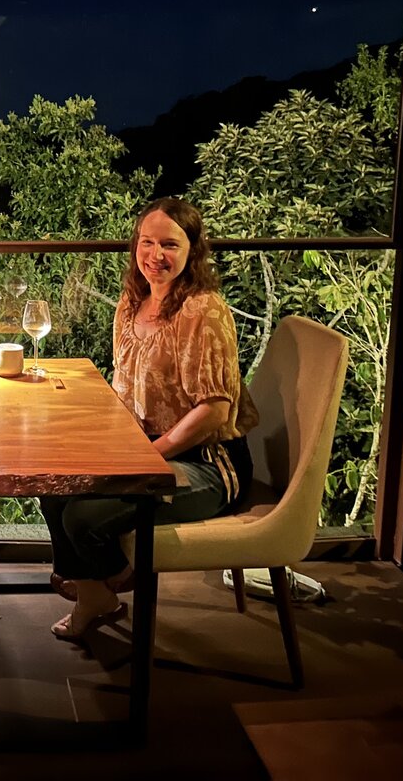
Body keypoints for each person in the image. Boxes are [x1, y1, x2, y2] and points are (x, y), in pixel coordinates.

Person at [41, 196, 259, 640]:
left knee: (82, 518)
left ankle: (108, 580)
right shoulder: (132, 301)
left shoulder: (203, 310)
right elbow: (125, 387)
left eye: (170, 245)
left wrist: (152, 455)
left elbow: (215, 410)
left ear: (192, 251)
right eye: (147, 242)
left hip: (208, 464)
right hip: (145, 450)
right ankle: (96, 591)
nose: (155, 255)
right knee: (53, 483)